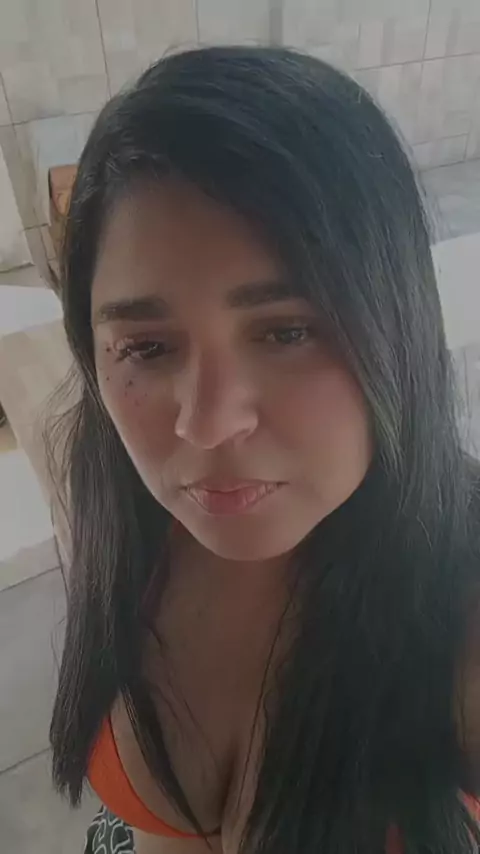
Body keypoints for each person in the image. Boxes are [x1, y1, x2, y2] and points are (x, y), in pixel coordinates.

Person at [49, 46, 480, 854]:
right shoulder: (114, 494)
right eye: (146, 347)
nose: (206, 425)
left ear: (395, 323)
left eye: (286, 332)